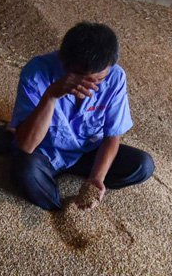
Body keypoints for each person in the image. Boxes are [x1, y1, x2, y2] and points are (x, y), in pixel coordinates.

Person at [9, 22, 154, 211]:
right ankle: (57, 207)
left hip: (87, 151)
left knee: (143, 165)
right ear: (64, 62)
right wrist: (51, 95)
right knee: (25, 170)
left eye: (99, 79)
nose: (91, 86)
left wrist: (96, 178)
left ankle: (74, 182)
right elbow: (26, 145)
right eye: (81, 78)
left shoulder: (115, 77)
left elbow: (112, 135)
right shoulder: (37, 72)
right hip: (45, 152)